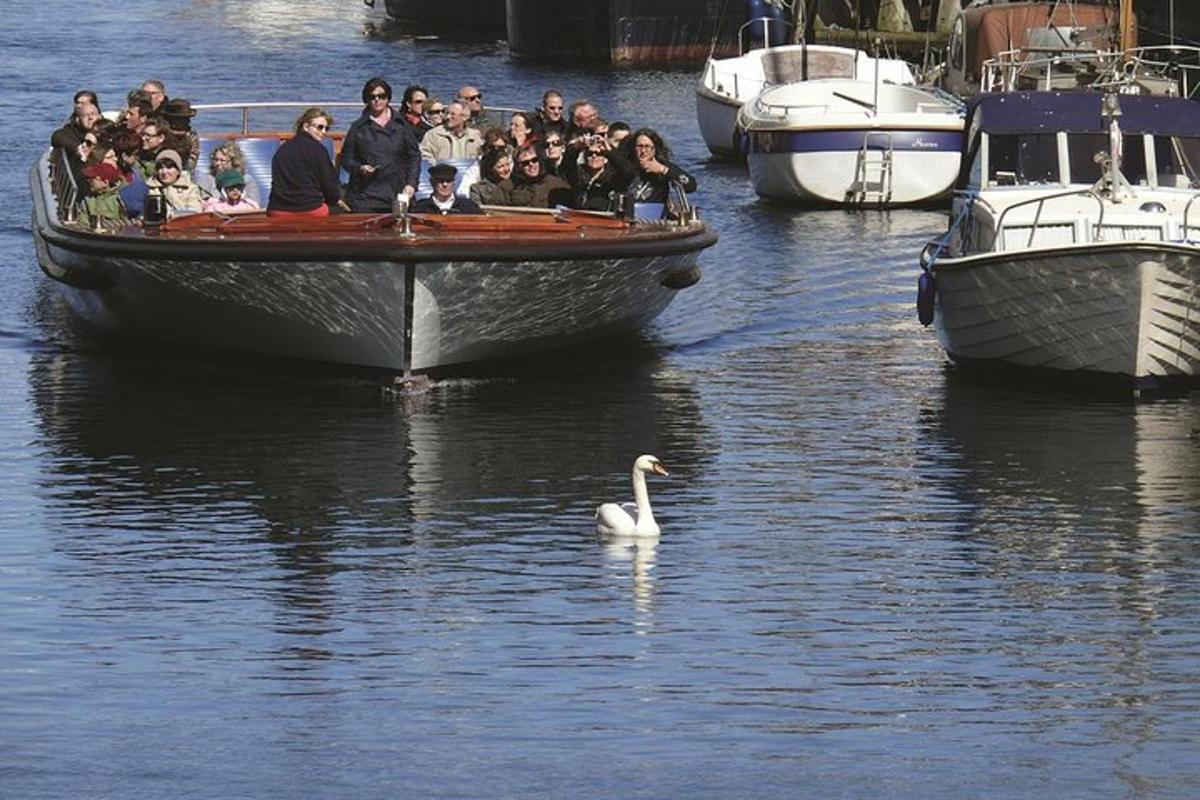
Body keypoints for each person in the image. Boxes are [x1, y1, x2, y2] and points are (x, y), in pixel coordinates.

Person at [339, 77, 421, 213]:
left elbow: (414, 156)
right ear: (367, 100)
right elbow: (346, 160)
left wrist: (411, 185)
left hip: (397, 193)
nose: (377, 100)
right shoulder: (358, 127)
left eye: (381, 96)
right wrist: (360, 168)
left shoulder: (402, 125)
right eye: (372, 97)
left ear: (388, 98)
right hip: (366, 196)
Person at [267, 107, 342, 217]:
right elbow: (332, 194)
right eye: (320, 127)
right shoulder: (319, 151)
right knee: (341, 213)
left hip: (277, 210)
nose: (324, 132)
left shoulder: (282, 149)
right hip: (310, 210)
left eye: (327, 128)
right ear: (306, 126)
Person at [622, 128, 697, 205]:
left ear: (655, 149)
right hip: (628, 212)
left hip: (655, 212)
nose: (643, 151)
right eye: (640, 146)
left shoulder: (663, 165)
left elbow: (691, 186)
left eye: (647, 146)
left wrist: (664, 170)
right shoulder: (625, 165)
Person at [569, 142, 634, 212]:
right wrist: (576, 147)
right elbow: (567, 166)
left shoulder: (613, 177)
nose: (594, 156)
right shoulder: (578, 174)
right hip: (579, 217)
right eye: (590, 154)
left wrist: (609, 152)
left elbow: (628, 171)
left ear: (606, 159)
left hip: (604, 219)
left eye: (599, 154)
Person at [195, 142, 262, 206]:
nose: (218, 163)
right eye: (216, 160)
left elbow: (255, 205)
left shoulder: (247, 180)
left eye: (222, 160)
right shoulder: (207, 180)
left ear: (233, 162)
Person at [145, 149, 203, 217]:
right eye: (160, 168)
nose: (164, 172)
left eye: (169, 167)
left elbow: (195, 212)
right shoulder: (149, 189)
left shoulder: (190, 189)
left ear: (178, 171)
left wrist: (173, 214)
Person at [412, 163, 482, 215]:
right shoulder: (420, 208)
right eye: (440, 181)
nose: (445, 184)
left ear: (454, 182)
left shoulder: (468, 207)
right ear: (432, 182)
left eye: (449, 181)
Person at [77, 162, 127, 228]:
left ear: (105, 182)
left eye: (92, 178)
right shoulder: (88, 200)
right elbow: (82, 222)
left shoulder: (121, 198)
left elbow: (126, 222)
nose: (88, 181)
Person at [161, 98, 200, 171]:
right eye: (184, 119)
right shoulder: (162, 133)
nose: (188, 121)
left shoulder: (191, 133)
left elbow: (194, 156)